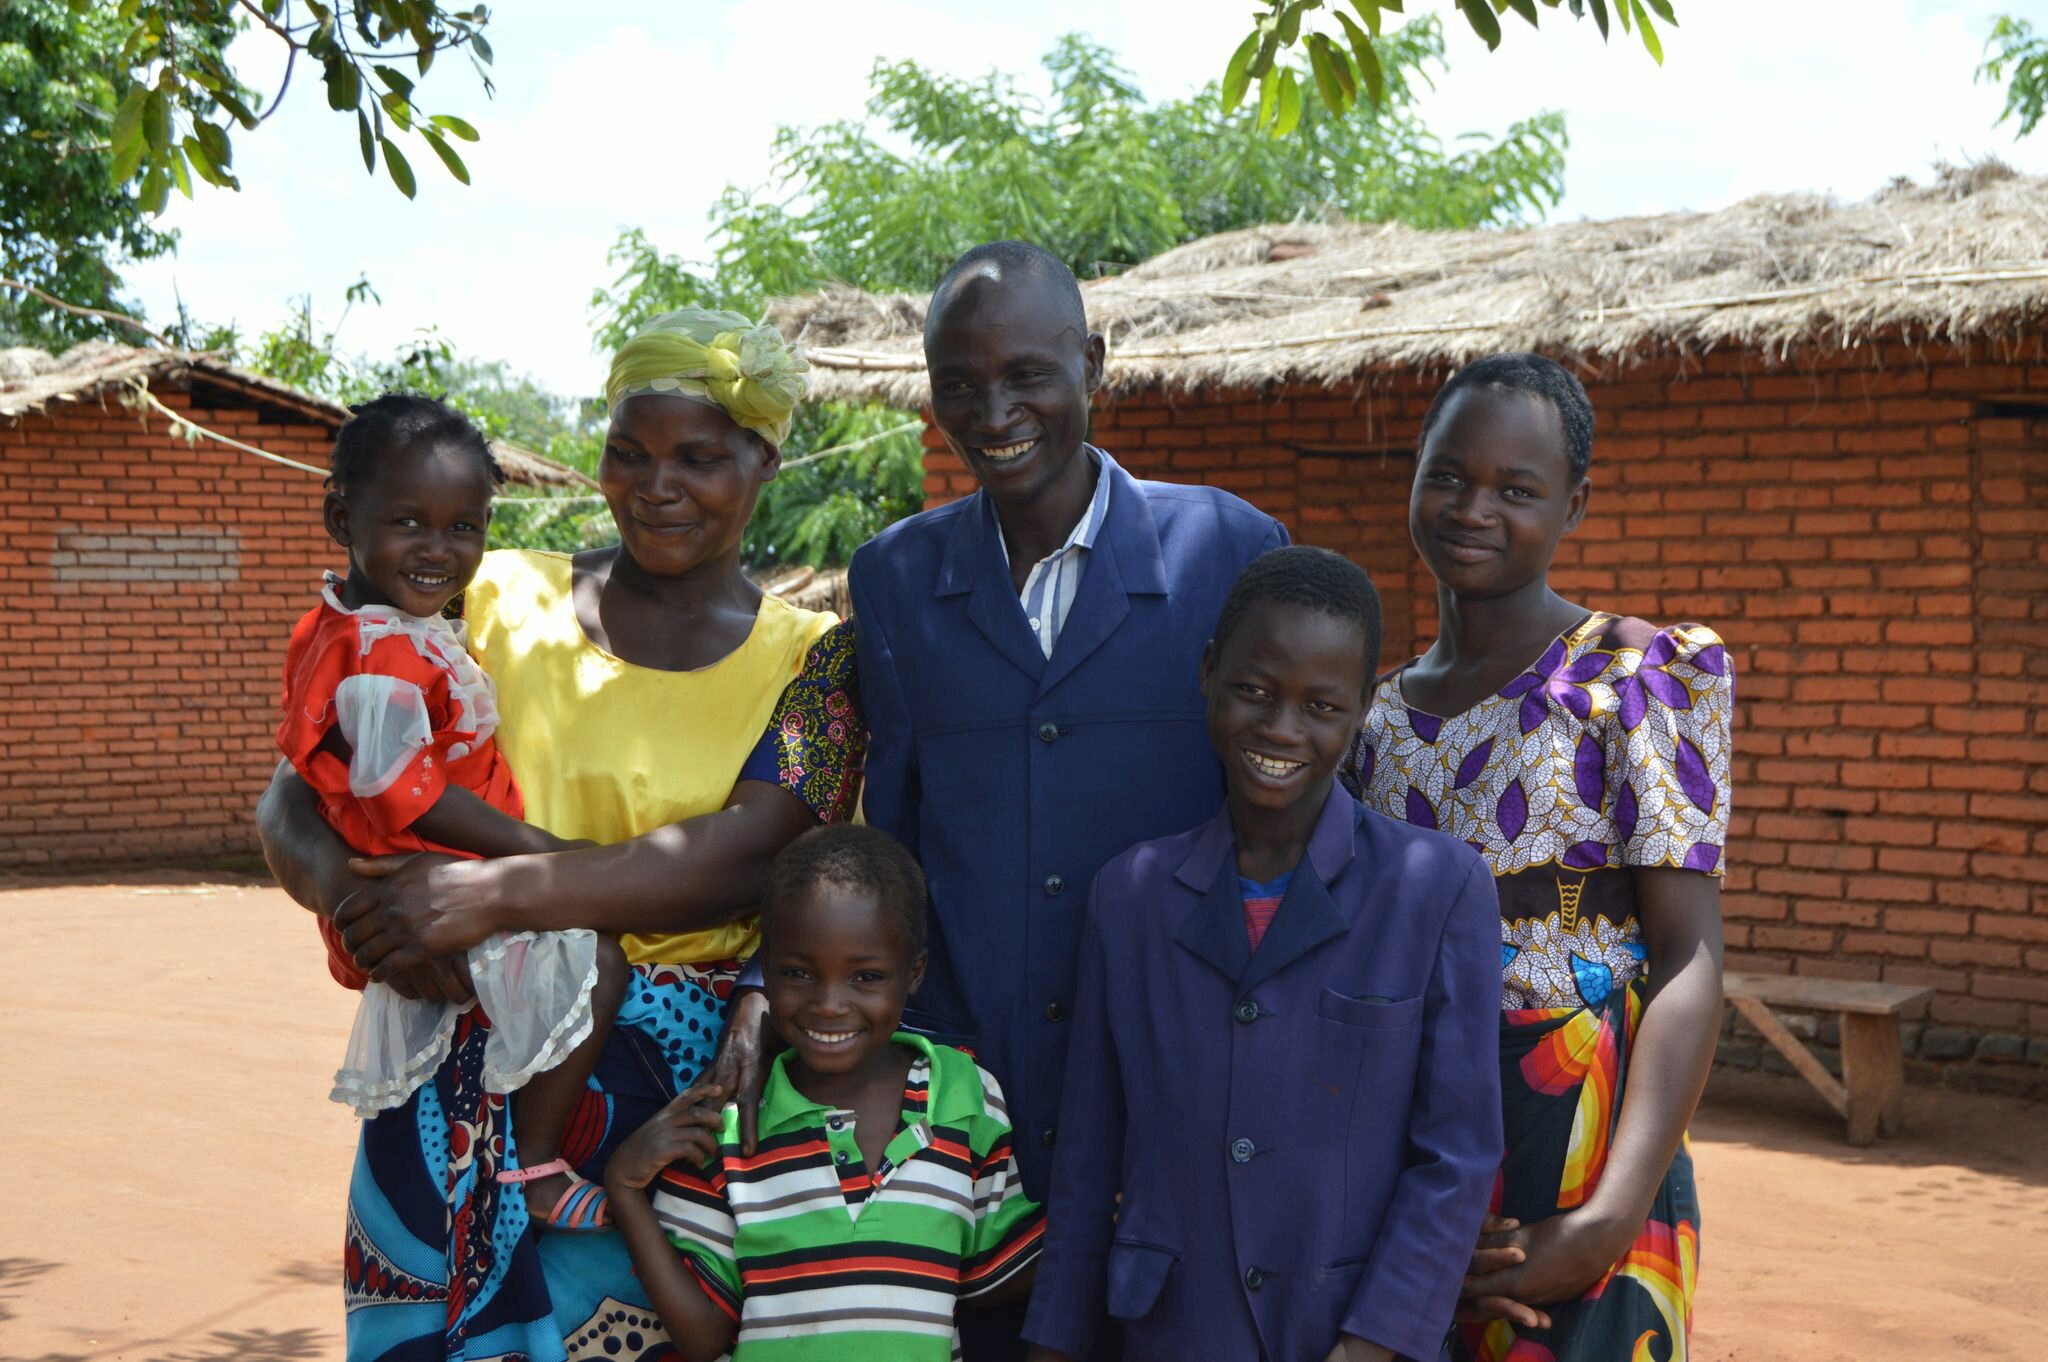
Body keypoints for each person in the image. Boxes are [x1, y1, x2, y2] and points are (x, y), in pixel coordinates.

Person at [255, 309, 865, 1362]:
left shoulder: (819, 663)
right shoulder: (487, 594)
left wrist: (494, 895)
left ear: (765, 459)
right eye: (625, 453)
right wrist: (359, 906)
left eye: (698, 458)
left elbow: (745, 860)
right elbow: (296, 792)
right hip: (461, 1049)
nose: (653, 485)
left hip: (676, 1100)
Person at [844, 241, 1289, 1228]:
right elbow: (896, 835)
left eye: (1025, 376)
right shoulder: (893, 580)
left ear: (1091, 365)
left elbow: (1283, 828)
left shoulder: (1229, 553)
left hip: (1177, 1077)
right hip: (971, 1097)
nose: (991, 414)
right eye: (956, 385)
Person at [1341, 353, 1730, 1361]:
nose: (1473, 508)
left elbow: (1687, 957)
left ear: (1573, 503)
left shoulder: (1634, 677)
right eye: (1448, 476)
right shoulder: (1369, 718)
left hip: (1589, 1139)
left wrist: (1605, 1219)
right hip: (1413, 1139)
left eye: (1516, 489)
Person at [1022, 546, 1501, 1362]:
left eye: (1321, 704)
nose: (1281, 728)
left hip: (1346, 1332)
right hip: (1174, 1330)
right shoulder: (1128, 896)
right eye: (1253, 690)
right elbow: (1090, 1154)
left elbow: (1455, 1157)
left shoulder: (1436, 889)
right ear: (1209, 673)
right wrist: (1054, 1344)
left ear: (1361, 711)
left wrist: (1372, 1343)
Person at [279, 393, 627, 1232]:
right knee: (601, 962)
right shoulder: (381, 653)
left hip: (430, 893)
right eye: (408, 522)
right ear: (341, 518)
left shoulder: (380, 626)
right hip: (430, 894)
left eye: (463, 527)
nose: (438, 550)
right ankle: (538, 1168)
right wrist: (540, 854)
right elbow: (408, 794)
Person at [605, 823, 1044, 1360]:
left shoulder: (966, 1093)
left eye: (866, 977)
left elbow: (990, 1270)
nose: (830, 1004)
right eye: (798, 973)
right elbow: (703, 1337)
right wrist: (624, 1189)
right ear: (765, 972)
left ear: (914, 973)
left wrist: (1111, 1221)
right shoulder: (727, 1126)